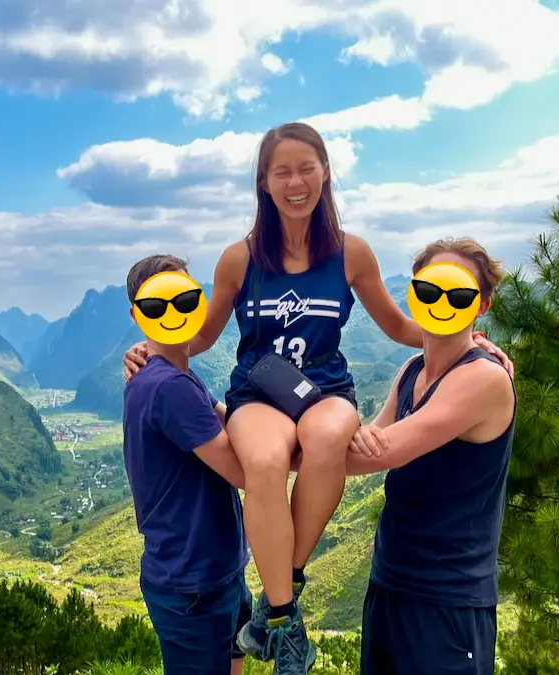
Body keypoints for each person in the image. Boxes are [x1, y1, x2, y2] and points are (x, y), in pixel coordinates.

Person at [121, 122, 513, 674]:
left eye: (307, 167)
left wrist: (469, 334)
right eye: (281, 171)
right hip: (257, 390)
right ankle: (283, 618)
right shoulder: (240, 259)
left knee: (328, 436)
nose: (295, 181)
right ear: (264, 182)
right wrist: (151, 347)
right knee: (263, 460)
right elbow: (201, 336)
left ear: (325, 172)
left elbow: (403, 325)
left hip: (325, 388)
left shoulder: (351, 254)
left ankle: (283, 593)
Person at [345, 237, 516, 675]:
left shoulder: (484, 379)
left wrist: (273, 455)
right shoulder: (411, 371)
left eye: (458, 294)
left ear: (482, 306)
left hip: (449, 604)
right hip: (389, 584)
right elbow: (367, 440)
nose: (442, 301)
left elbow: (379, 451)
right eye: (429, 290)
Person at [122, 253, 253, 675]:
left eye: (183, 300)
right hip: (194, 584)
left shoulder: (170, 374)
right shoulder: (170, 385)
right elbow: (242, 471)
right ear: (139, 315)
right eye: (160, 306)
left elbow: (221, 416)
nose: (174, 312)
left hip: (215, 571)